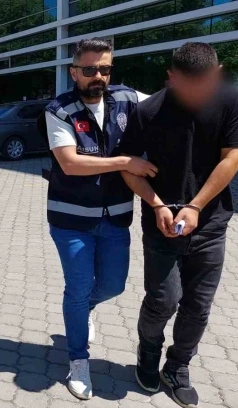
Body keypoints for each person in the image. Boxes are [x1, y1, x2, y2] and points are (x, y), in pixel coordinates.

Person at [119, 42, 238, 408]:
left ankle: (177, 366)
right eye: (186, 85)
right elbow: (128, 167)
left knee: (198, 306)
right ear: (171, 77)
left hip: (210, 224)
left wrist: (196, 206)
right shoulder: (148, 111)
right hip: (161, 224)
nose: (196, 94)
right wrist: (156, 204)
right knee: (163, 300)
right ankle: (148, 354)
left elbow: (233, 157)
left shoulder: (232, 100)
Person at [43, 37, 157, 400]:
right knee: (77, 289)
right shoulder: (59, 110)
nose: (99, 76)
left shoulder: (128, 99)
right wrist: (125, 162)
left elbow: (166, 105)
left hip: (115, 218)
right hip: (71, 220)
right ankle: (78, 360)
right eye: (90, 69)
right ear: (74, 72)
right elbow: (70, 163)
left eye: (105, 68)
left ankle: (86, 308)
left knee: (113, 285)